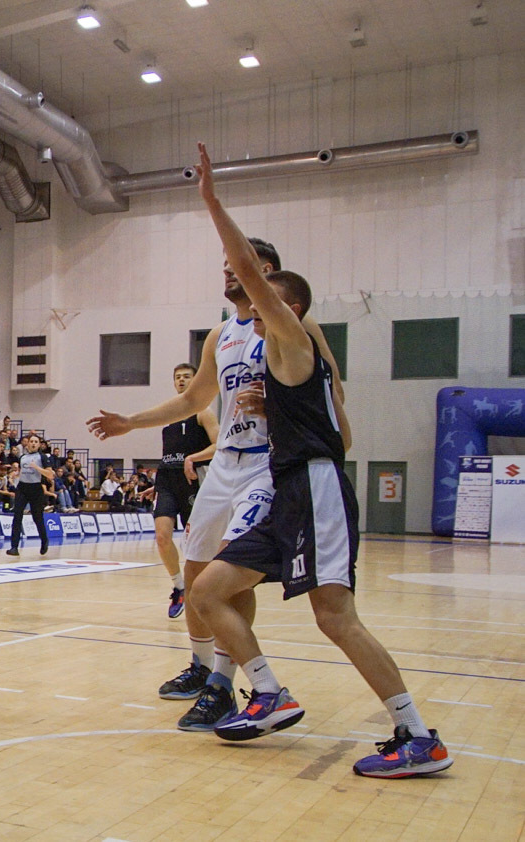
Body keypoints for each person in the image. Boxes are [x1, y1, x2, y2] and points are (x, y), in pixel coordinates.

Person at [184, 142, 451, 776]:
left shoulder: (293, 336)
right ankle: (268, 692)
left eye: (262, 295)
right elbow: (341, 430)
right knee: (208, 590)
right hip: (288, 488)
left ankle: (418, 736)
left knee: (334, 616)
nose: (250, 303)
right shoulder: (295, 364)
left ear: (288, 307)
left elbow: (248, 270)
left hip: (315, 488)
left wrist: (213, 202)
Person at [87, 215, 344, 735]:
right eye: (224, 265)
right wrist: (131, 422)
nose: (227, 271)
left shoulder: (296, 324)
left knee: (228, 569)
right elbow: (193, 399)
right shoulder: (220, 335)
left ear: (264, 271)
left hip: (268, 463)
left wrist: (283, 406)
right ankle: (203, 667)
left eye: (237, 264)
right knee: (195, 573)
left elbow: (330, 392)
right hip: (225, 462)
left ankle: (225, 684)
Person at [153, 363, 218, 620]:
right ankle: (179, 586)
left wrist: (193, 458)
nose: (181, 380)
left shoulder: (203, 412)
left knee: (197, 545)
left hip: (194, 481)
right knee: (162, 536)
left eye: (186, 377)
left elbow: (219, 445)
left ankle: (204, 590)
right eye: (177, 377)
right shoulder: (168, 418)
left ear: (195, 380)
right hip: (167, 481)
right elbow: (170, 455)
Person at [6, 433, 53, 556]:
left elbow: (50, 474)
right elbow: (22, 471)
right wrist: (15, 475)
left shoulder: (42, 457)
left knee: (37, 517)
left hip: (36, 488)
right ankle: (14, 547)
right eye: (31, 441)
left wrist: (37, 468)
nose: (33, 443)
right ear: (27, 444)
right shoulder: (22, 457)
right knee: (17, 516)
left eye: (36, 442)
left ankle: (44, 540)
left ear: (39, 444)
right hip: (22, 488)